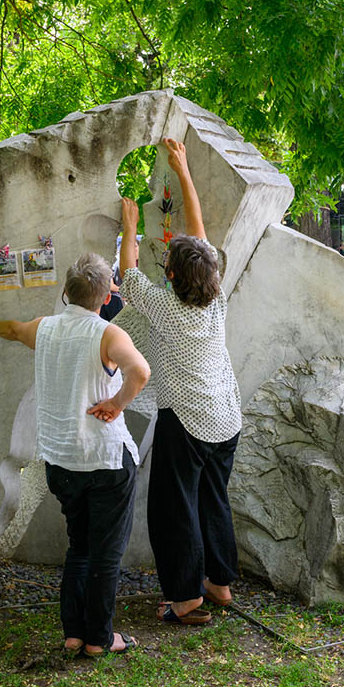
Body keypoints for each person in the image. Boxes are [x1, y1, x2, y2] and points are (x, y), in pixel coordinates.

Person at [0, 252, 151, 657]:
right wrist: (116, 404)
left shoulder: (44, 328)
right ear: (106, 297)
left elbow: (13, 330)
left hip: (61, 461)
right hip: (105, 459)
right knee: (105, 554)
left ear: (66, 291)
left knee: (78, 547)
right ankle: (99, 639)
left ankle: (74, 634)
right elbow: (140, 372)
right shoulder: (108, 335)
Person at [117, 137, 241, 627]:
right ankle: (219, 583)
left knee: (175, 508)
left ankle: (186, 598)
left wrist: (129, 226)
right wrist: (182, 169)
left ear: (169, 275)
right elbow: (199, 233)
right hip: (226, 418)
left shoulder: (166, 307)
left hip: (186, 420)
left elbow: (128, 274)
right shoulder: (217, 296)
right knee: (213, 498)